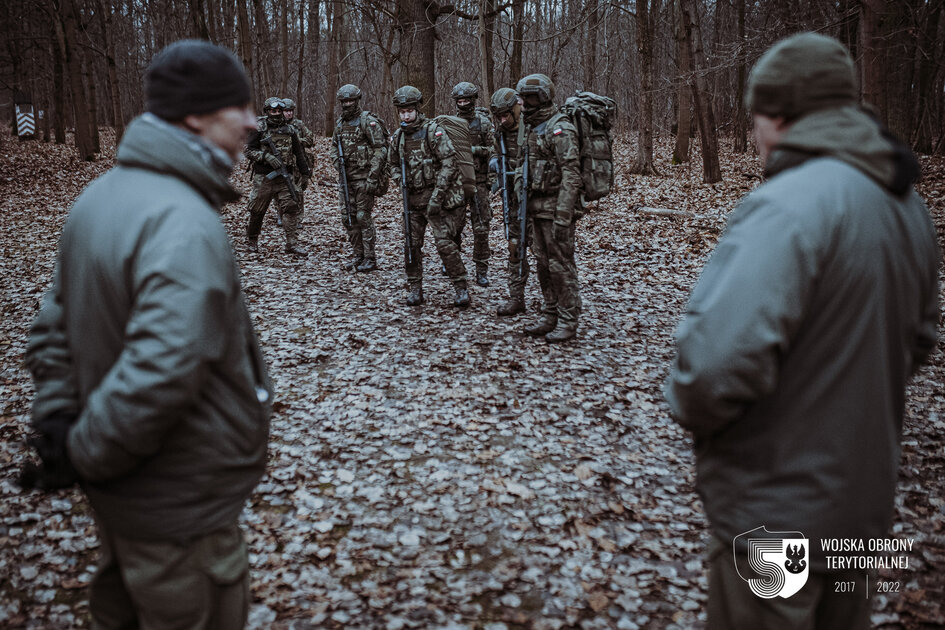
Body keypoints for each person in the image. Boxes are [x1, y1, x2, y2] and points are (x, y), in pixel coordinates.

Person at [665, 33, 939, 630]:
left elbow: (710, 370)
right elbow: (917, 341)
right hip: (860, 518)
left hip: (777, 517)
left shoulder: (788, 207)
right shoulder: (905, 205)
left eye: (757, 118)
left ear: (781, 115)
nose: (756, 136)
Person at [23, 40, 273, 629]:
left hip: (132, 504)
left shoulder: (103, 196)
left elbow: (51, 326)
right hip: (175, 505)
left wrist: (59, 423)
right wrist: (85, 451)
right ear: (194, 116)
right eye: (238, 106)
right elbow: (162, 370)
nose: (252, 122)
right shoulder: (183, 222)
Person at [515, 73, 584, 343]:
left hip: (556, 209)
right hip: (535, 209)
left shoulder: (560, 127)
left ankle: (568, 319)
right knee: (543, 264)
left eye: (527, 97)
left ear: (540, 97)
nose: (523, 103)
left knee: (561, 265)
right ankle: (550, 313)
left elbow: (572, 173)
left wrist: (564, 215)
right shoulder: (531, 126)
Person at [389, 85, 470, 307]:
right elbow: (393, 165)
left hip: (436, 200)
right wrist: (400, 181)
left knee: (445, 245)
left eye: (409, 111)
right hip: (412, 202)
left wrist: (438, 194)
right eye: (402, 112)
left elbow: (449, 162)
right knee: (411, 245)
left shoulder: (433, 131)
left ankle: (460, 287)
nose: (406, 116)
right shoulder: (398, 138)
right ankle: (415, 288)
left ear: (417, 109)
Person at [331, 83, 389, 272]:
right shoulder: (340, 123)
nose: (347, 104)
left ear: (357, 101)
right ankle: (358, 255)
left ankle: (370, 257)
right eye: (344, 101)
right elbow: (334, 147)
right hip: (346, 180)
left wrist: (373, 176)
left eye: (350, 101)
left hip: (365, 179)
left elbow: (380, 150)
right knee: (348, 218)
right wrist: (336, 163)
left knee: (363, 217)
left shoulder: (367, 121)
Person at [245, 97, 311, 256]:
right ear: (267, 112)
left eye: (279, 111)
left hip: (285, 176)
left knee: (290, 208)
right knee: (257, 211)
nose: (276, 114)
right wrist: (265, 157)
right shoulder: (259, 128)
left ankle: (292, 244)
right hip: (264, 177)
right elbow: (248, 151)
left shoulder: (290, 130)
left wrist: (305, 173)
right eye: (273, 111)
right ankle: (252, 241)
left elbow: (299, 153)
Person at [451, 81, 496, 287]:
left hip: (479, 182)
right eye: (459, 100)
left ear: (473, 100)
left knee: (481, 228)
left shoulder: (484, 123)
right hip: (457, 182)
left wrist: (472, 151)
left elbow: (493, 150)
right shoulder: (450, 123)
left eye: (466, 100)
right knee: (454, 226)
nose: (463, 103)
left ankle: (481, 269)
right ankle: (454, 262)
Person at [490, 87, 529, 317]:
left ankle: (552, 303)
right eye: (499, 117)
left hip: (535, 199)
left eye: (506, 115)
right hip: (513, 200)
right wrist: (495, 162)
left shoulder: (532, 128)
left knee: (544, 254)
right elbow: (496, 153)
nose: (503, 120)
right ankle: (517, 297)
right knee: (515, 248)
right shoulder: (500, 134)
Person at [282, 97, 314, 225]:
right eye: (286, 110)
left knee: (299, 191)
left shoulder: (299, 125)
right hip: (283, 162)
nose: (289, 113)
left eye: (291, 110)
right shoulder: (277, 125)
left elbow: (310, 140)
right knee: (282, 190)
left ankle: (298, 218)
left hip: (298, 163)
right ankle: (281, 214)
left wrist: (298, 141)